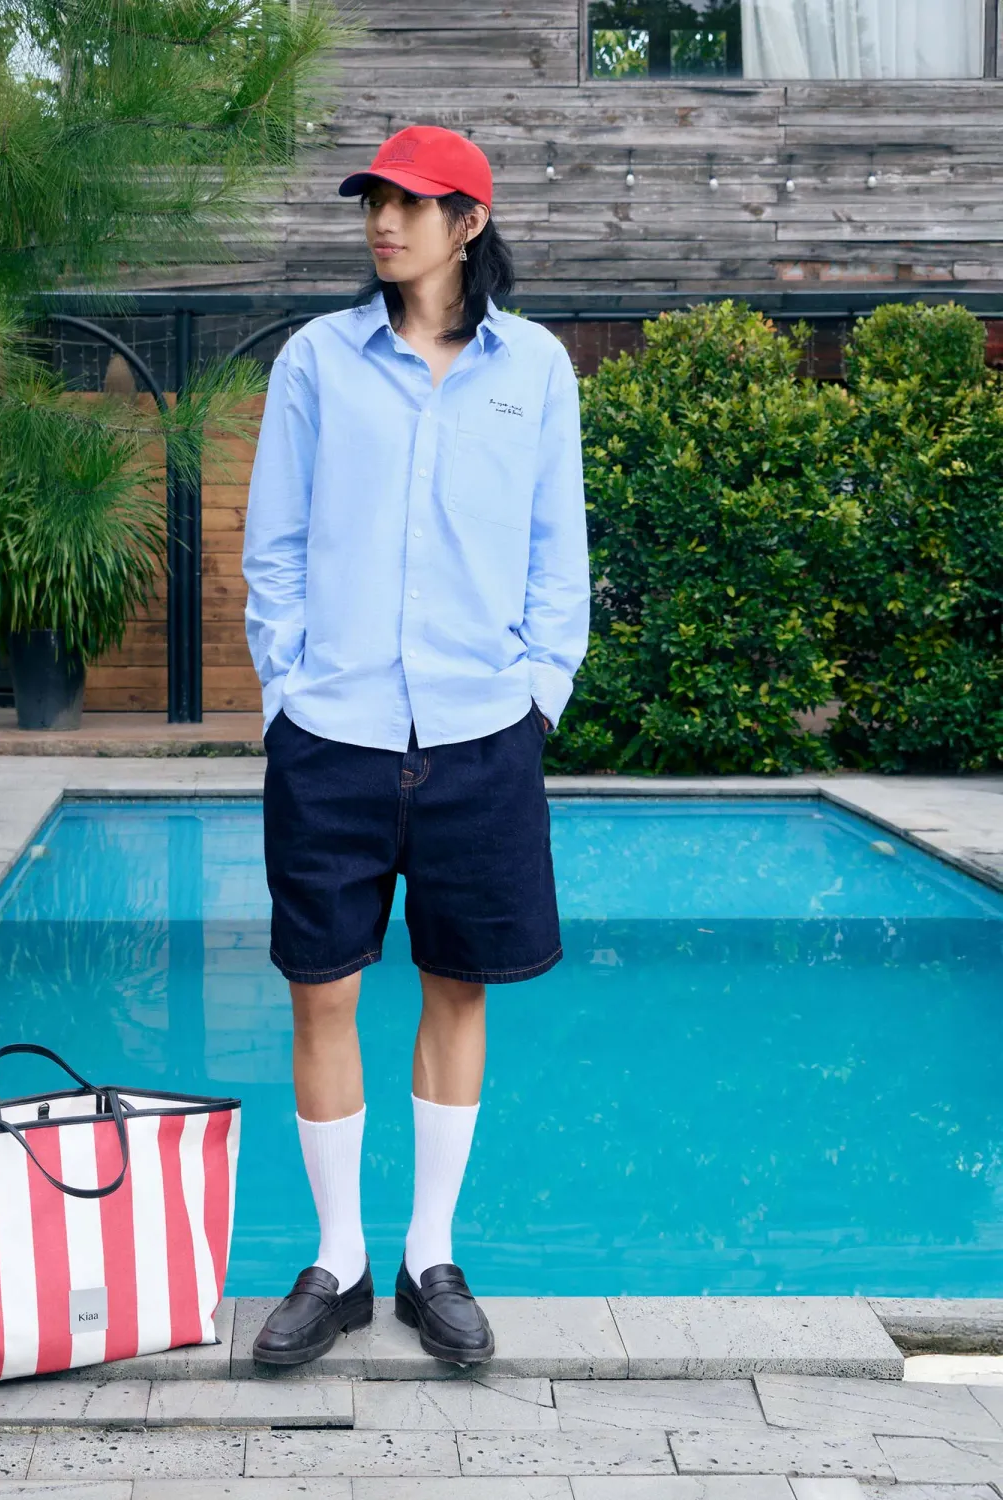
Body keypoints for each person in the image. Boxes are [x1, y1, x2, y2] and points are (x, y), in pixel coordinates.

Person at [241, 123, 590, 1367]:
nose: (383, 222)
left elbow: (557, 553)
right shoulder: (316, 361)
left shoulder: (534, 369)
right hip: (331, 732)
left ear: (469, 223)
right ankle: (336, 1262)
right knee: (321, 992)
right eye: (373, 201)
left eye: (410, 202)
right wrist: (285, 693)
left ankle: (427, 1255)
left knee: (458, 986)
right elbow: (274, 545)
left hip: (481, 734)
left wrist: (537, 695)